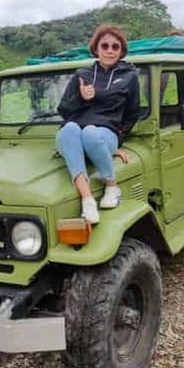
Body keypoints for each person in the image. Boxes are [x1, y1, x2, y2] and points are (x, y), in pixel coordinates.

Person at [56, 25, 140, 224]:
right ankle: (88, 200)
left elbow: (132, 112)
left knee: (90, 133)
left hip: (105, 132)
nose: (110, 50)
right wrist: (81, 98)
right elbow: (64, 110)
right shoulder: (82, 75)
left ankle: (112, 186)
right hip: (74, 133)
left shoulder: (129, 76)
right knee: (70, 128)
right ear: (96, 49)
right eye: (105, 46)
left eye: (115, 46)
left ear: (121, 51)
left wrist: (118, 142)